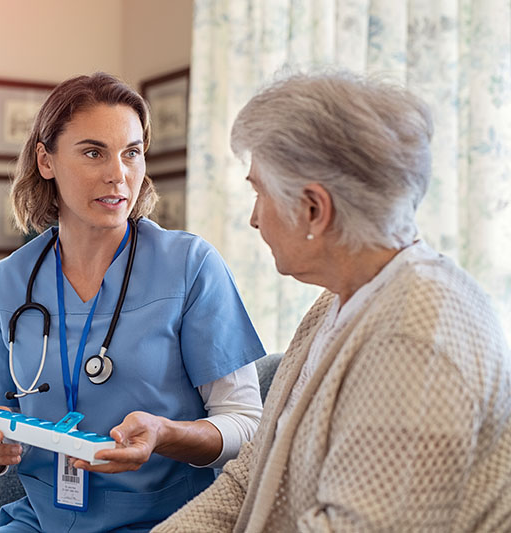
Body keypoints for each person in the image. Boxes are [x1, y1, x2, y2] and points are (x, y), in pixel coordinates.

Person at [154, 71, 511, 532]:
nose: (253, 218)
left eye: (259, 191)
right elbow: (247, 479)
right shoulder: (337, 302)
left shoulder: (417, 332)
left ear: (313, 209)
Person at [0, 72, 266, 532]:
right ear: (46, 160)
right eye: (93, 152)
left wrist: (164, 434)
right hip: (43, 521)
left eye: (132, 153)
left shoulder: (190, 266)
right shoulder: (5, 284)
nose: (118, 174)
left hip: (169, 522)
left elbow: (245, 425)